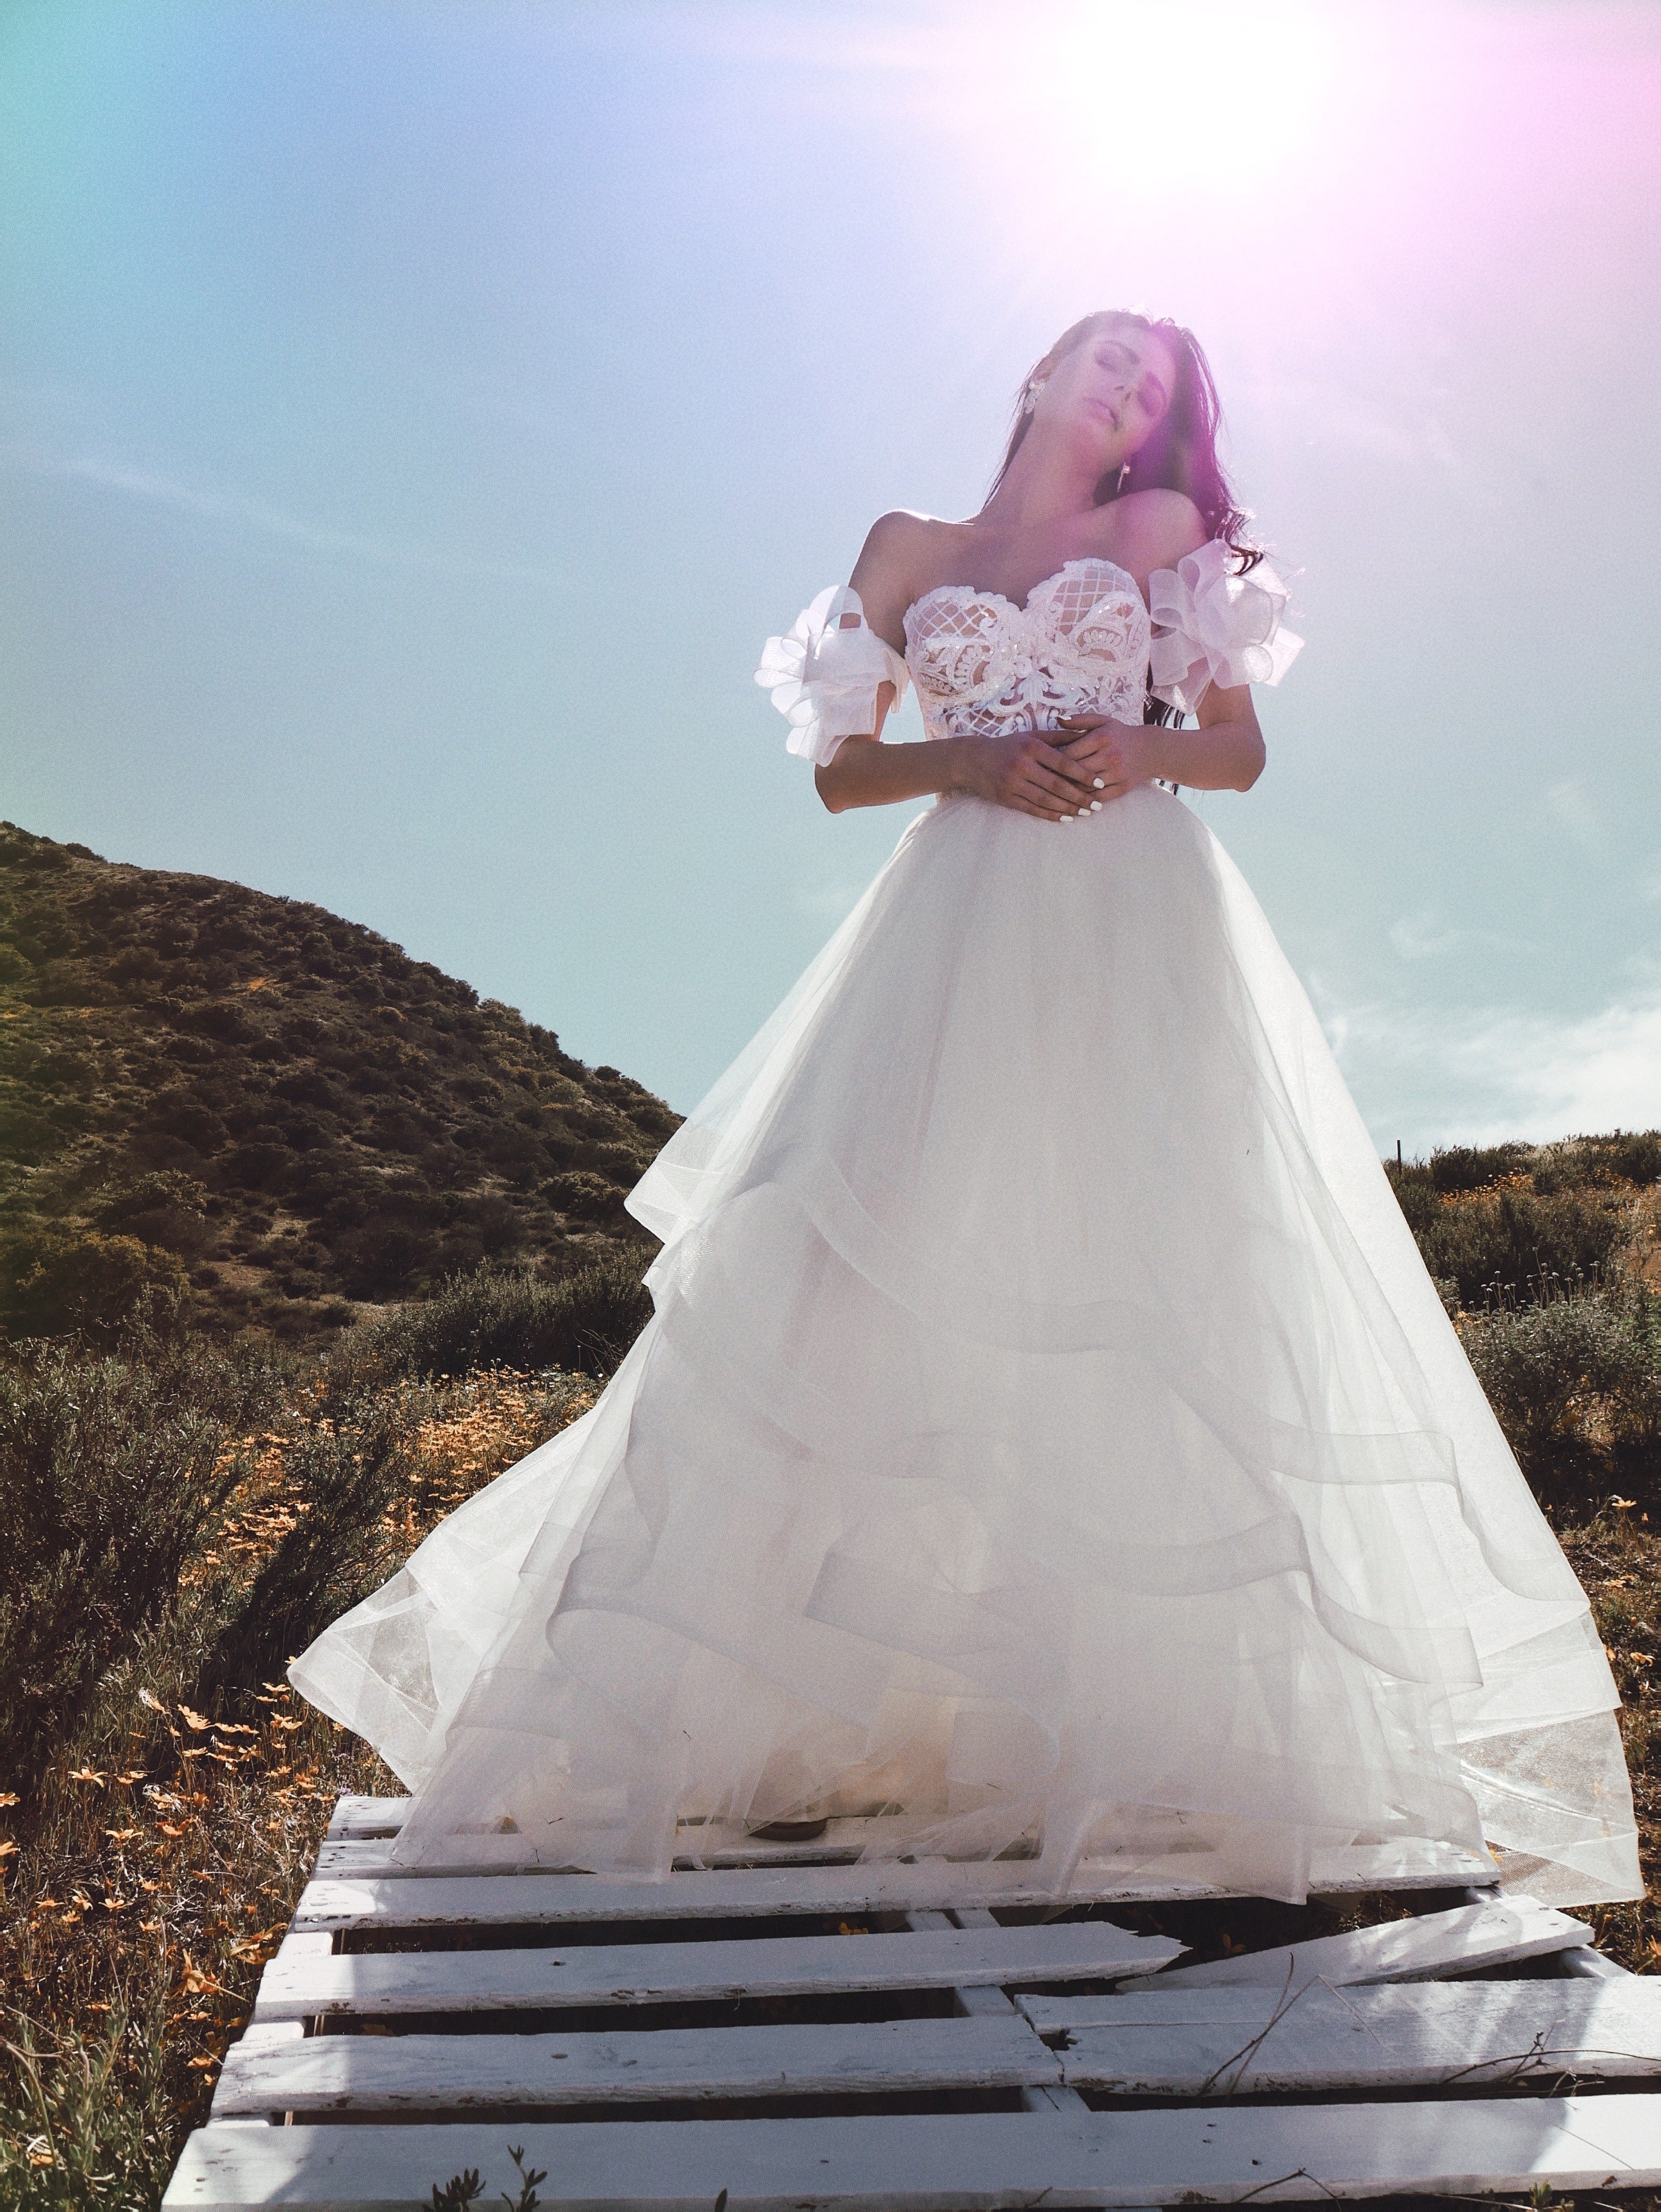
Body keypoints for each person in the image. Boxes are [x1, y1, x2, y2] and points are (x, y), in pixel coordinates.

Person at [292, 311, 1640, 1908]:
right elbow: (838, 771)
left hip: (1134, 912)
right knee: (855, 1276)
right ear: (1039, 373)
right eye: (1105, 357)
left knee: (1146, 1272)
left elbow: (1238, 752)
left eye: (1151, 386)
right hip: (951, 918)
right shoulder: (905, 549)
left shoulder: (1162, 529)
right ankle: (796, 1721)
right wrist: (974, 762)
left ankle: (1138, 1743)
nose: (1124, 391)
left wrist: (1130, 742)